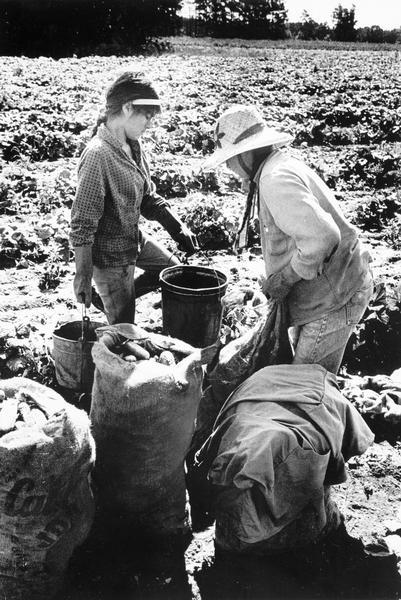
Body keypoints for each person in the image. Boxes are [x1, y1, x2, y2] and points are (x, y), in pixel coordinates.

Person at [202, 104, 373, 374]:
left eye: (230, 159)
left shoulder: (274, 179)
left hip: (335, 296)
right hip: (322, 293)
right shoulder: (274, 169)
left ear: (247, 154)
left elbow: (323, 237)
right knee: (302, 378)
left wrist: (285, 278)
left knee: (302, 386)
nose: (229, 166)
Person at [70, 71, 198, 324]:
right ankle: (114, 302)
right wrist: (82, 276)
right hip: (109, 255)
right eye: (147, 116)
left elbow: (147, 198)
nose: (149, 124)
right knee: (124, 330)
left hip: (132, 240)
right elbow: (82, 224)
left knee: (171, 272)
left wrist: (176, 226)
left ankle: (114, 299)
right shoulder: (98, 155)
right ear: (128, 108)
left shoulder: (133, 146)